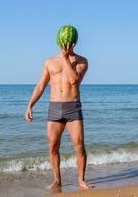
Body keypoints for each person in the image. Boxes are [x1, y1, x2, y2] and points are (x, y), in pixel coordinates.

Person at [25, 28, 91, 190]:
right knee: (53, 146)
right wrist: (30, 105)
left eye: (68, 43)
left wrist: (65, 59)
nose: (65, 45)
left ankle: (81, 180)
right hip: (54, 107)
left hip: (73, 107)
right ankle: (57, 180)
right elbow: (41, 85)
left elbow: (74, 80)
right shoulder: (49, 61)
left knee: (79, 145)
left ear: (73, 42)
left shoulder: (82, 61)